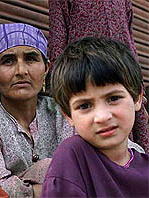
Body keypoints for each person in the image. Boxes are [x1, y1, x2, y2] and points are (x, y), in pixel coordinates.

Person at [0, 23, 144, 198]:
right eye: (8, 61)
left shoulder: (62, 109)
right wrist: (63, 183)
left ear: (46, 68)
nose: (21, 70)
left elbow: (124, 151)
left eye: (31, 58)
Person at [41, 37, 149, 197]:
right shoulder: (73, 156)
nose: (102, 117)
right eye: (84, 106)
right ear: (68, 115)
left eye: (113, 98)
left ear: (137, 98)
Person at [47, 0, 149, 153]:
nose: (102, 116)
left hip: (120, 71)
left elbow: (129, 36)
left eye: (114, 98)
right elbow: (58, 37)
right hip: (81, 72)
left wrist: (135, 79)